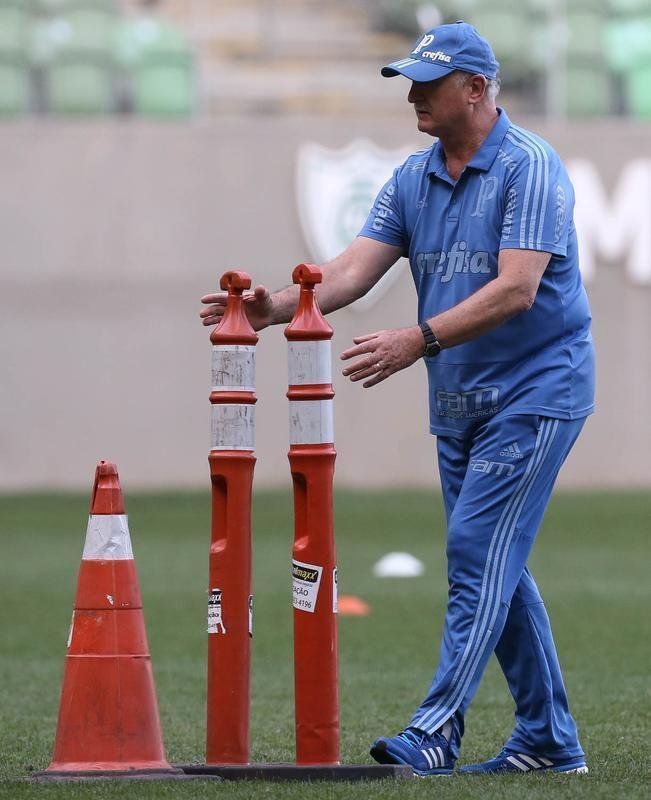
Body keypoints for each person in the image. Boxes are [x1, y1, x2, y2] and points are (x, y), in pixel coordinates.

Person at [200, 21, 594, 776]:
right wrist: (271, 307)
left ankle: (436, 730)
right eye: (409, 82)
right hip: (460, 400)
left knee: (477, 551)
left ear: (475, 88)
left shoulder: (530, 166)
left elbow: (517, 289)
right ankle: (548, 740)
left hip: (537, 388)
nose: (413, 95)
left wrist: (418, 339)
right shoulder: (415, 176)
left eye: (428, 83)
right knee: (495, 563)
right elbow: (350, 271)